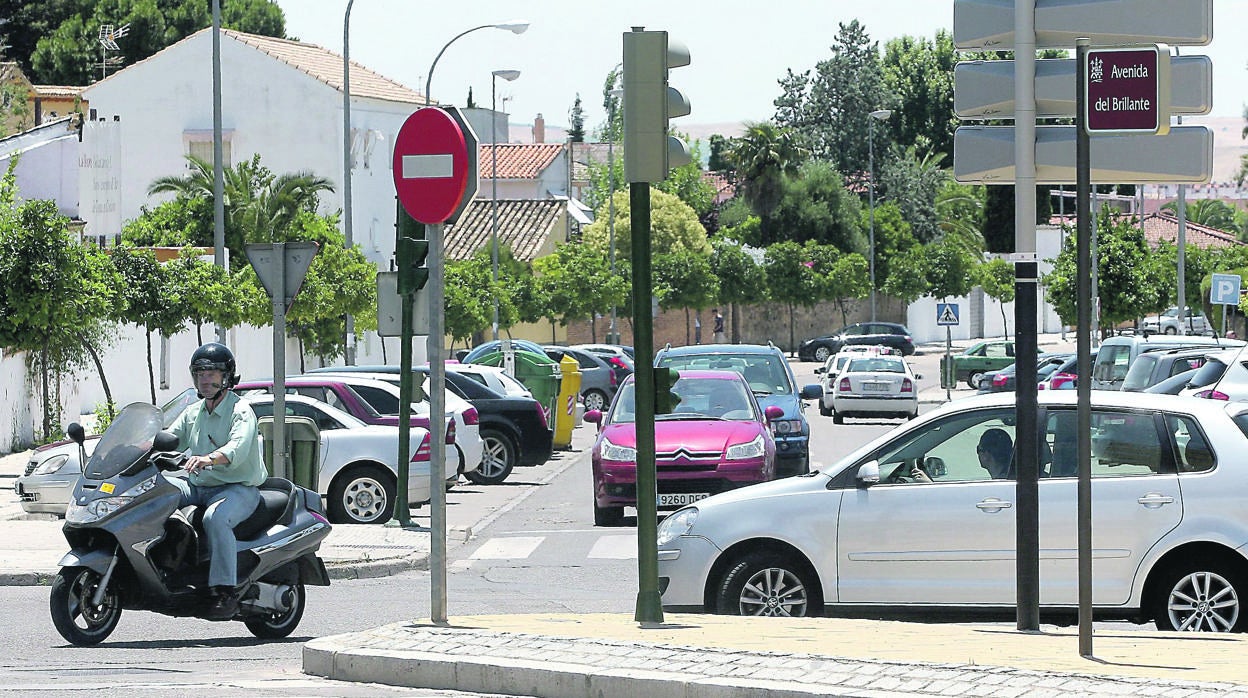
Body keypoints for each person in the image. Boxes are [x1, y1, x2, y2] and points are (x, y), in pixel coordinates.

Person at [167, 342, 267, 619]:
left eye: (212, 373)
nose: (205, 379)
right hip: (199, 485)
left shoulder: (241, 411)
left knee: (215, 518)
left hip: (239, 488)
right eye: (200, 373)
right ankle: (169, 565)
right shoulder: (194, 412)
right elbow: (170, 439)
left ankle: (225, 590)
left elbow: (238, 446)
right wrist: (138, 447)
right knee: (157, 494)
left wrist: (207, 459)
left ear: (226, 377)